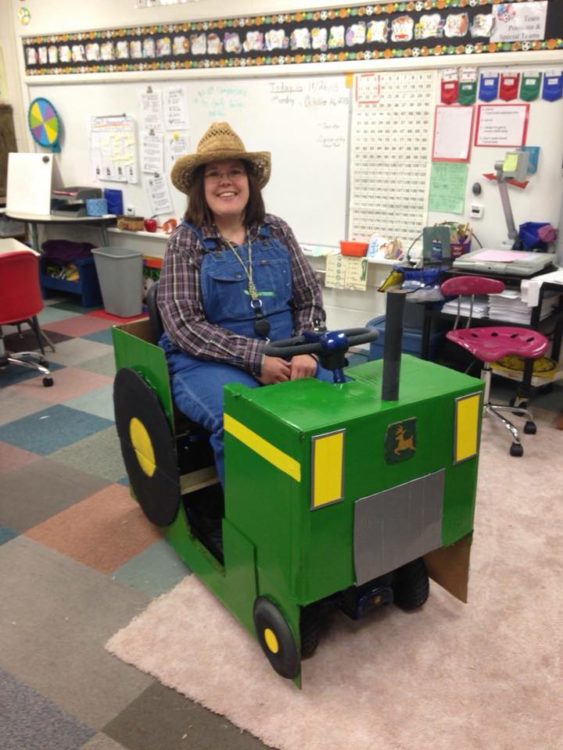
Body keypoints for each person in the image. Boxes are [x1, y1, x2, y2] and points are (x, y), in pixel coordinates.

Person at [157, 121, 331, 485]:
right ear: (199, 187)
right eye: (214, 174)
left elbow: (309, 299)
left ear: (249, 181)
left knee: (340, 396)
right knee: (246, 420)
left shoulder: (277, 230)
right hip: (203, 360)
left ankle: (320, 501)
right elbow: (185, 327)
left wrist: (308, 349)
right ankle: (250, 520)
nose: (226, 181)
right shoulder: (185, 242)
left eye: (235, 171)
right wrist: (256, 359)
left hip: (289, 350)